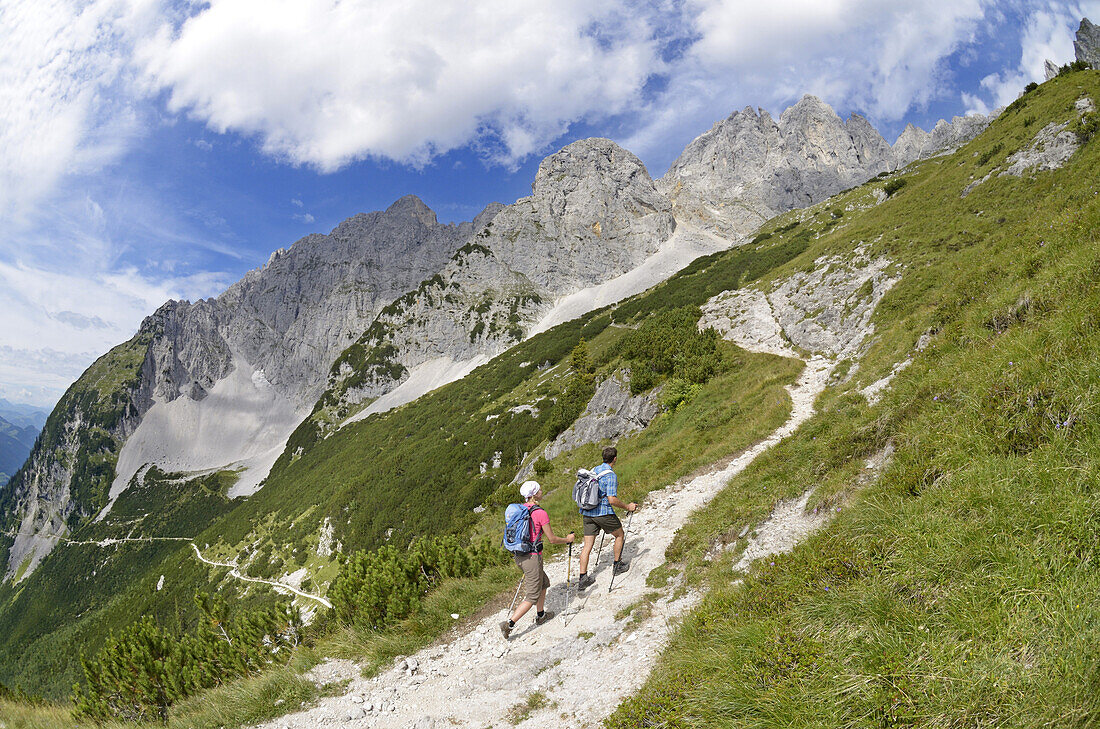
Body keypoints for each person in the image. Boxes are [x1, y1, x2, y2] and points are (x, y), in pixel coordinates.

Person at [500, 480, 575, 639]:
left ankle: (541, 615)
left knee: (544, 583)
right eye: (539, 489)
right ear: (534, 494)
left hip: (520, 556)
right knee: (532, 596)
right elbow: (552, 539)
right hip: (532, 558)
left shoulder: (520, 510)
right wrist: (568, 539)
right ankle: (509, 624)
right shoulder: (540, 513)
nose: (542, 490)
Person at [576, 446, 636, 591]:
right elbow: (612, 500)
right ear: (615, 458)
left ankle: (583, 578)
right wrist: (628, 507)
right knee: (619, 535)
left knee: (587, 545)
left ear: (603, 457)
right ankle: (617, 565)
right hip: (603, 512)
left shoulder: (594, 469)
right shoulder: (611, 475)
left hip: (588, 512)